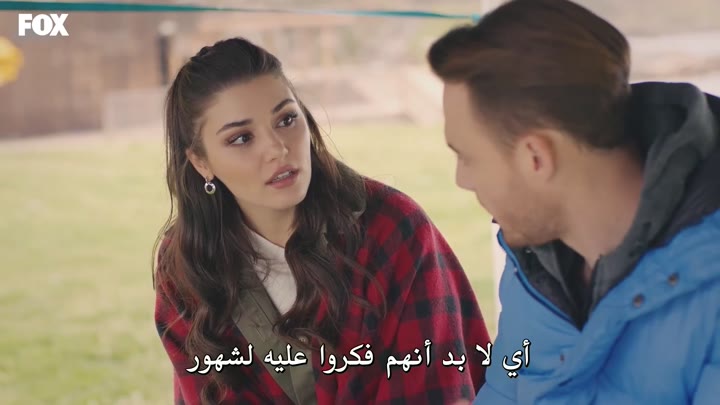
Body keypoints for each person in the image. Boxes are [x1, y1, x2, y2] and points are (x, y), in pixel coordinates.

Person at [152, 37, 491, 405]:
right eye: (242, 138)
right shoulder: (186, 265)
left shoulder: (394, 229)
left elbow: (432, 388)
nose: (278, 149)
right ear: (201, 161)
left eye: (286, 119)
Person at [427, 0, 720, 404]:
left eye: (467, 158)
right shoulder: (532, 263)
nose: (462, 180)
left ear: (535, 157)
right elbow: (504, 392)